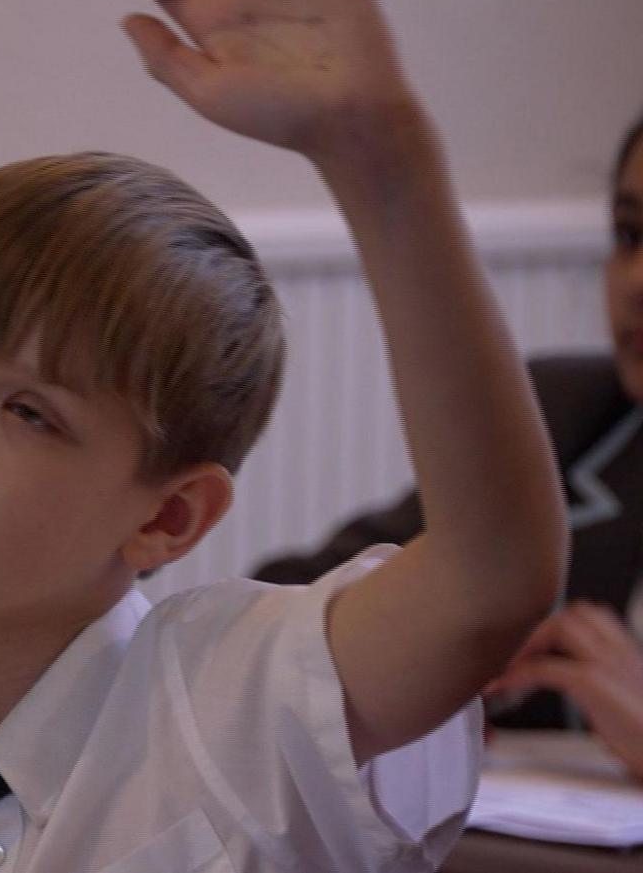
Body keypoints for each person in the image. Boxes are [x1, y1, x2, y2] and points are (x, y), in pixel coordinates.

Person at [0, 0, 568, 870]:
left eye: (30, 412)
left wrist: (382, 159)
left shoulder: (245, 704)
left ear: (168, 514)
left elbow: (493, 578)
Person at [257, 115, 643, 765]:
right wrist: (422, 655)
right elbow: (290, 602)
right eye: (630, 234)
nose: (635, 282)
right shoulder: (571, 416)